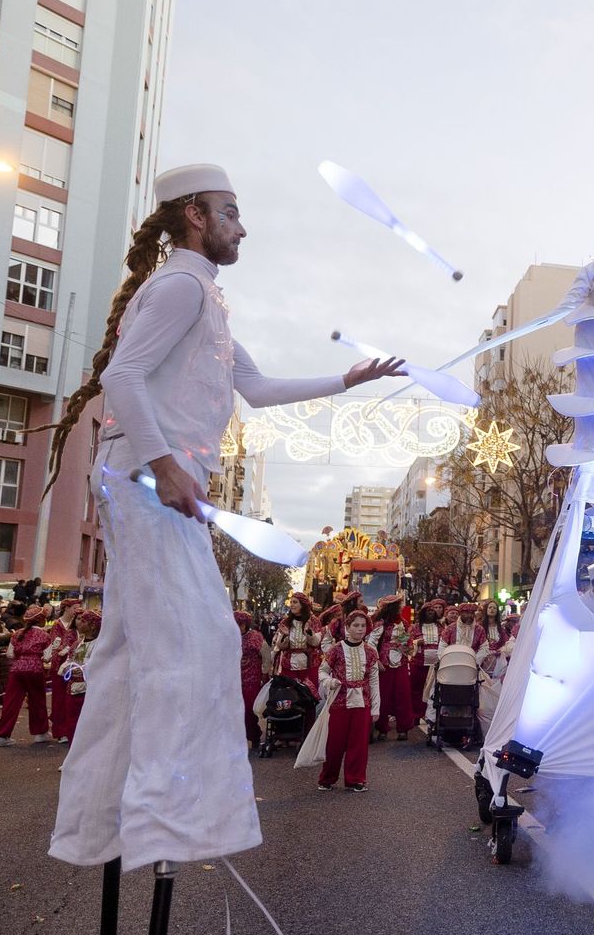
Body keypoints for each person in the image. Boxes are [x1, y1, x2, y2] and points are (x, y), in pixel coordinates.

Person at [41, 164, 403, 872]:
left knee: (135, 644)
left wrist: (347, 380)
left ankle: (111, 816)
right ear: (196, 216)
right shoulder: (179, 286)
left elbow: (259, 389)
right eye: (230, 211)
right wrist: (167, 464)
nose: (243, 225)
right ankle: (165, 818)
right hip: (148, 474)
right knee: (197, 634)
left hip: (156, 475)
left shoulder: (204, 297)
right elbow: (123, 377)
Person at [318, 608, 380, 792]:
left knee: (359, 744)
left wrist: (376, 707)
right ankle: (327, 778)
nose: (360, 629)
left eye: (363, 626)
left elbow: (374, 680)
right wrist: (329, 681)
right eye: (356, 625)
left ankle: (355, 779)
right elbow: (322, 671)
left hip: (363, 702)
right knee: (335, 743)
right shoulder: (335, 650)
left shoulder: (370, 652)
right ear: (348, 627)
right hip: (339, 701)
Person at [0, 605, 52, 747]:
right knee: (37, 701)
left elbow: (10, 654)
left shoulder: (17, 633)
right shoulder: (45, 635)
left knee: (11, 702)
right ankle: (41, 733)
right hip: (35, 669)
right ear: (42, 620)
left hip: (16, 669)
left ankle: (1, 736)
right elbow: (48, 657)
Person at [371, 594, 413, 741]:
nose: (400, 609)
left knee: (403, 695)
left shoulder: (403, 623)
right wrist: (377, 661)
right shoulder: (380, 624)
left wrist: (406, 648)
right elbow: (371, 644)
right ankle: (382, 728)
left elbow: (405, 643)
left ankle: (403, 728)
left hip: (400, 662)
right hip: (384, 664)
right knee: (383, 696)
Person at [60, 610, 101, 745]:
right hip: (73, 687)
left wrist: (83, 669)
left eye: (83, 621)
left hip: (90, 689)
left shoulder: (100, 645)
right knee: (71, 721)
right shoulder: (77, 643)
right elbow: (69, 659)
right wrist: (67, 668)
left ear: (92, 626)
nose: (78, 623)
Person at [44, 599, 82, 743]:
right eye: (74, 608)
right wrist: (67, 648)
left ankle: (70, 728)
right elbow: (56, 645)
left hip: (74, 665)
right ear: (66, 608)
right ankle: (60, 731)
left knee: (71, 697)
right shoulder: (57, 625)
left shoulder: (76, 626)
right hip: (59, 666)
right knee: (59, 698)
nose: (76, 611)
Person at [273, 592, 321, 693]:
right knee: (289, 695)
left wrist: (308, 632)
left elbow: (316, 643)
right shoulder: (285, 622)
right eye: (291, 602)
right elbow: (279, 646)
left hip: (309, 664)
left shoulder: (314, 621)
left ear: (302, 604)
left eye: (295, 602)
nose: (292, 605)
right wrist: (285, 635)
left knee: (308, 694)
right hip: (289, 665)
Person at [236, 611, 267, 748]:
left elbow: (266, 655)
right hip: (235, 679)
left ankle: (253, 735)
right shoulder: (230, 637)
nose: (238, 626)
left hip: (252, 678)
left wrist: (265, 673)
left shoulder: (255, 637)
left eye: (241, 624)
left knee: (249, 709)